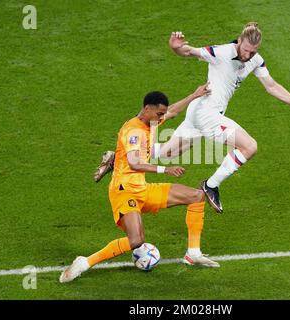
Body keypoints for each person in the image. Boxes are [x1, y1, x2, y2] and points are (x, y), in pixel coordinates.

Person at [153, 22, 290, 213]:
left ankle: (124, 155)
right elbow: (188, 52)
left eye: (253, 51)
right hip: (206, 113)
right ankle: (211, 185)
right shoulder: (221, 52)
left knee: (168, 153)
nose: (247, 55)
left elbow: (272, 86)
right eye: (246, 50)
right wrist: (175, 47)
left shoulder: (256, 60)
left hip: (198, 111)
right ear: (239, 40)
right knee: (249, 146)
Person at [60, 84, 218, 283]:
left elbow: (173, 111)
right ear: (147, 109)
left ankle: (193, 253)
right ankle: (85, 262)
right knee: (136, 241)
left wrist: (194, 95)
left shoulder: (149, 122)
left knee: (196, 196)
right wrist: (165, 169)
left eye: (162, 114)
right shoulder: (134, 131)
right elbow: (134, 163)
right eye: (159, 114)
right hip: (125, 190)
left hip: (141, 188)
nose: (161, 118)